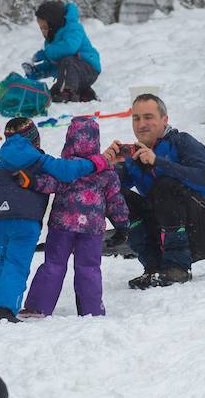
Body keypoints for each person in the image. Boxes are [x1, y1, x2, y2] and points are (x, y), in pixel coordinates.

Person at [0, 117, 108, 322]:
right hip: (25, 220)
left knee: (4, 258)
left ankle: (0, 302)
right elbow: (67, 172)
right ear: (34, 140)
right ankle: (6, 308)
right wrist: (99, 161)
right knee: (16, 262)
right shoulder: (40, 161)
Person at [103, 94, 205, 288]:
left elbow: (202, 176)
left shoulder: (182, 142)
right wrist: (106, 166)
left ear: (164, 120)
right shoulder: (133, 155)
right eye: (136, 118)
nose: (141, 124)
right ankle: (153, 266)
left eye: (148, 117)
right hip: (165, 231)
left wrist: (158, 162)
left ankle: (177, 268)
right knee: (114, 194)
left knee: (164, 185)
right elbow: (108, 190)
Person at [21, 116, 130, 318]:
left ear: (69, 139)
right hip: (92, 229)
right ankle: (92, 309)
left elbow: (48, 183)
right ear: (96, 141)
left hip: (62, 225)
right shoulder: (106, 171)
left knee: (53, 264)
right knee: (89, 268)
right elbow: (115, 199)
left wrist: (28, 180)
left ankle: (38, 307)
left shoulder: (64, 168)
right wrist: (122, 224)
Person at [23, 1, 101, 103]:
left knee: (68, 61)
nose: (43, 31)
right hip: (71, 76)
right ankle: (86, 94)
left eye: (45, 28)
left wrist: (46, 53)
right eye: (41, 28)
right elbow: (54, 65)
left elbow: (69, 48)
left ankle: (68, 93)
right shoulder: (51, 41)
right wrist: (37, 71)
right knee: (51, 95)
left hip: (89, 68)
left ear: (54, 24)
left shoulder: (73, 28)